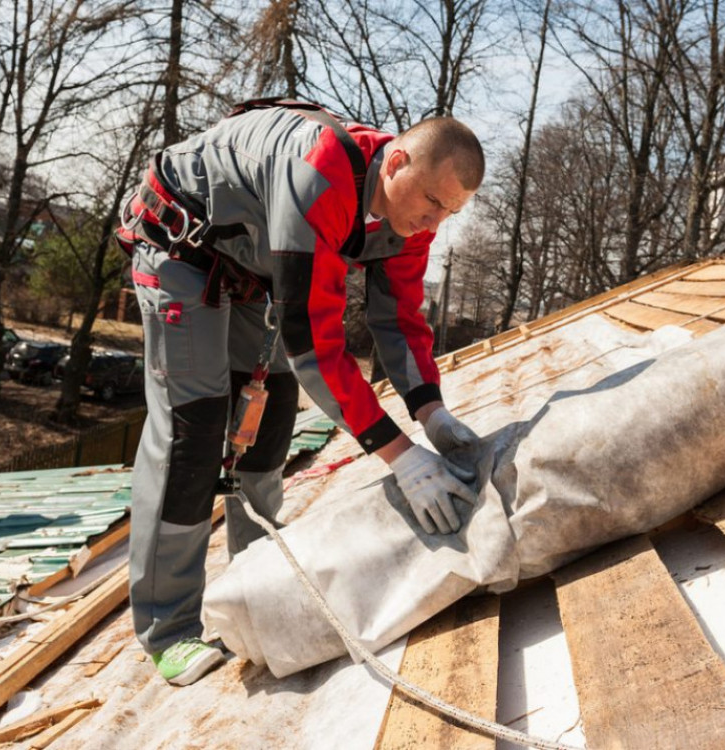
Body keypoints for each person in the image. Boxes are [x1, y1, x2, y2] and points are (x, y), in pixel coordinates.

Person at [116, 99, 484, 686]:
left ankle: (252, 577)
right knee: (193, 431)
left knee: (268, 425)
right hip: (180, 251)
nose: (434, 223)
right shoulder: (320, 173)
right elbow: (315, 340)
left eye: (452, 212)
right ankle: (170, 628)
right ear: (395, 163)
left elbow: (401, 321)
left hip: (252, 269)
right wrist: (402, 457)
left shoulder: (413, 213)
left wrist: (431, 412)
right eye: (433, 203)